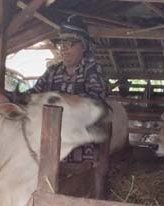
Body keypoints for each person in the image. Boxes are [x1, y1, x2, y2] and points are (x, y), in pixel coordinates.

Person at [30, 15, 108, 162]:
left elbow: (97, 104)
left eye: (70, 43)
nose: (64, 48)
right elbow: (32, 96)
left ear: (83, 46)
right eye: (62, 43)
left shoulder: (92, 70)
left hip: (81, 144)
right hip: (51, 139)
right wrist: (5, 94)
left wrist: (64, 100)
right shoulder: (52, 72)